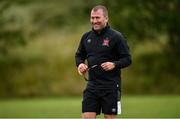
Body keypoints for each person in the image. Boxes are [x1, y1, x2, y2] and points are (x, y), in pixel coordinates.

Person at [75, 5, 132, 119]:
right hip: (92, 86)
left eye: (97, 18)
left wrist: (114, 64)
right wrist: (80, 64)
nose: (94, 21)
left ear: (106, 18)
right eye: (92, 18)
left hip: (110, 86)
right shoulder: (86, 37)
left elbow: (127, 59)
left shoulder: (116, 37)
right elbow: (79, 55)